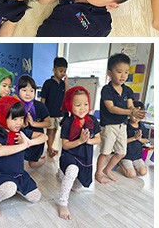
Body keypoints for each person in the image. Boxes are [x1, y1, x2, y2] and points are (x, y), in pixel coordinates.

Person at [0, 96, 44, 218]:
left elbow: (44, 137)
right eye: (15, 119)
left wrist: (29, 142)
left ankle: (14, 188)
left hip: (18, 174)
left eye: (21, 118)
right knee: (9, 188)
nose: (19, 122)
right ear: (2, 117)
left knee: (36, 197)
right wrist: (23, 145)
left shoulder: (21, 133)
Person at [96, 53, 145, 184]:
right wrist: (130, 112)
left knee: (121, 153)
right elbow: (111, 108)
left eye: (126, 72)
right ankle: (98, 173)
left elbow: (130, 105)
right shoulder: (106, 90)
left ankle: (108, 170)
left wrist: (135, 111)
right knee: (105, 152)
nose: (123, 75)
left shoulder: (128, 90)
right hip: (109, 126)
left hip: (122, 125)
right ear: (109, 73)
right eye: (119, 72)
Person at [56, 85, 100, 220]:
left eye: (85, 104)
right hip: (69, 155)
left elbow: (98, 138)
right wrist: (80, 141)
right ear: (70, 105)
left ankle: (61, 175)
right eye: (78, 105)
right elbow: (66, 145)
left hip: (85, 158)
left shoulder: (92, 120)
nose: (83, 108)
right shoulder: (67, 122)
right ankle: (62, 203)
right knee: (72, 170)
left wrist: (88, 141)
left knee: (79, 187)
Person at [16, 74, 51, 168]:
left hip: (36, 140)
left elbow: (48, 123)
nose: (28, 94)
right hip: (21, 138)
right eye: (24, 90)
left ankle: (43, 159)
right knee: (17, 161)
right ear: (17, 90)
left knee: (32, 164)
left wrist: (33, 123)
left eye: (31, 90)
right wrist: (25, 123)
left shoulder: (40, 105)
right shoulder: (15, 106)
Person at [40, 57, 68, 159]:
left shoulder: (62, 84)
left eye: (65, 71)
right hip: (49, 113)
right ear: (54, 70)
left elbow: (66, 95)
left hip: (59, 113)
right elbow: (43, 98)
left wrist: (66, 83)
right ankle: (50, 147)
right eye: (61, 71)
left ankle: (50, 147)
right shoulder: (48, 83)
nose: (63, 73)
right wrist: (43, 112)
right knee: (50, 131)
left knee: (55, 130)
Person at [120, 102, 150, 178]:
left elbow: (146, 140)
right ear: (130, 113)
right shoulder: (125, 125)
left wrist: (139, 139)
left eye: (139, 116)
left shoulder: (142, 126)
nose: (136, 118)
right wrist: (134, 138)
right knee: (131, 175)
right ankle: (120, 162)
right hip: (125, 156)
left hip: (137, 156)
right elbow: (121, 141)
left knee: (143, 172)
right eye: (135, 115)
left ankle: (133, 166)